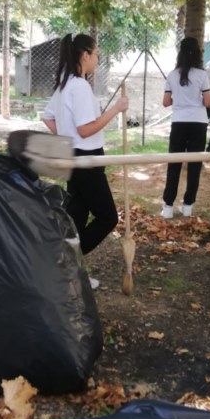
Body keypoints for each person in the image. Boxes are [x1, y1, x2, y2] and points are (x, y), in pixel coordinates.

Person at [42, 34, 128, 262]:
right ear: (85, 55)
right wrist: (116, 109)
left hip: (73, 156)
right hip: (86, 159)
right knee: (108, 217)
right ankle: (70, 262)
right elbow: (85, 129)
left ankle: (68, 272)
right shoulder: (78, 86)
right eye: (97, 54)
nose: (98, 60)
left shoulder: (65, 82)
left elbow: (47, 118)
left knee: (76, 217)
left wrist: (66, 138)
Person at [161, 37, 210, 219]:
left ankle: (167, 206)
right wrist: (195, 100)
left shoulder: (172, 75)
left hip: (179, 123)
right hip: (199, 123)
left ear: (180, 53)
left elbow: (166, 102)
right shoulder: (202, 75)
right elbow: (208, 102)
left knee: (174, 164)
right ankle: (188, 205)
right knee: (194, 164)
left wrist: (181, 101)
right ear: (198, 53)